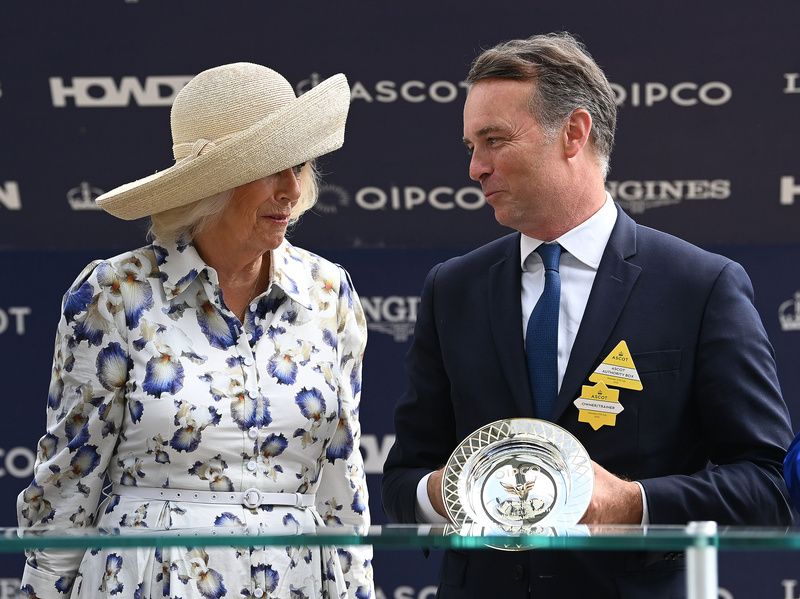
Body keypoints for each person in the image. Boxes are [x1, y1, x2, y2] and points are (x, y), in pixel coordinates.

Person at [382, 32, 794, 598]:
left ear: (573, 133)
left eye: (494, 140)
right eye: (471, 146)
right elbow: (404, 477)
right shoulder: (452, 289)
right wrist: (460, 492)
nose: (475, 167)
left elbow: (764, 489)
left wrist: (632, 505)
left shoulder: (700, 286)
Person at [18, 62, 373, 599]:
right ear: (212, 187)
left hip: (297, 580)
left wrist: (357, 588)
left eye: (299, 167)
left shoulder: (328, 291)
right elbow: (70, 477)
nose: (291, 189)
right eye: (271, 168)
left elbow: (340, 478)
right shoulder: (116, 292)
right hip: (150, 580)